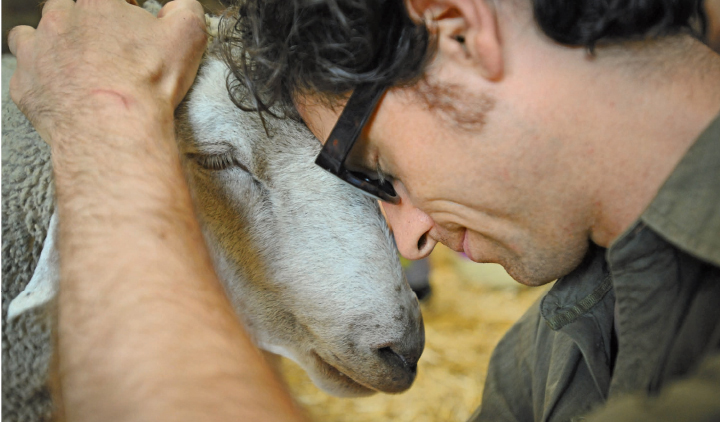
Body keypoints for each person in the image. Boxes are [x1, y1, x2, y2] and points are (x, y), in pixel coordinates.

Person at [7, 0, 719, 421]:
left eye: (374, 165)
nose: (410, 239)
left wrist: (108, 124)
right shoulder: (551, 355)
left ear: (457, 29)